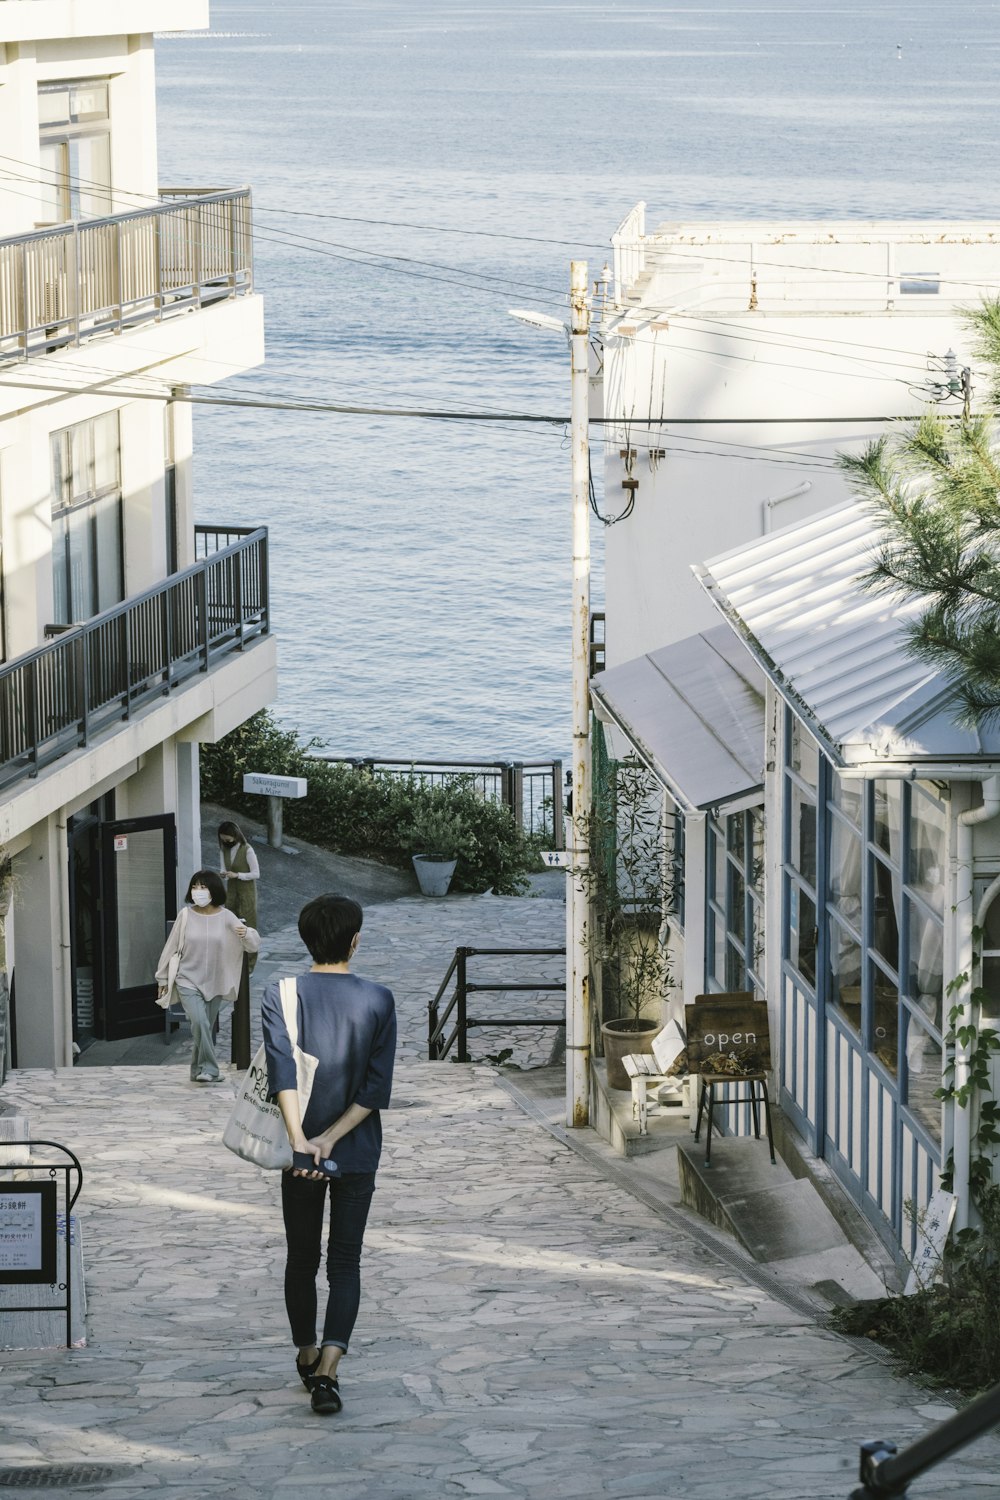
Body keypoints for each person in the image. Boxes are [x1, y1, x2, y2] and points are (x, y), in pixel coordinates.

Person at [261, 893, 396, 1417]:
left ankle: (306, 1352)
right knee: (345, 1261)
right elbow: (375, 1088)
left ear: (305, 939)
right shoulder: (379, 999)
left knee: (301, 1257)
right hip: (357, 1151)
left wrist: (303, 1141)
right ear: (355, 941)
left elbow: (282, 1073)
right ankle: (329, 1371)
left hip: (299, 1155)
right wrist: (333, 1139)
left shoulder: (282, 994)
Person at [156, 870, 260, 1084]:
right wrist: (163, 979)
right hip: (187, 979)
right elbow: (171, 947)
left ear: (214, 890)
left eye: (203, 887)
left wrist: (246, 933)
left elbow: (252, 945)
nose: (198, 891)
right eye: (195, 887)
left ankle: (197, 1070)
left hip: (216, 981)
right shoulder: (185, 915)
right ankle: (212, 1070)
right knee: (200, 1022)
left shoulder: (226, 916)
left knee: (202, 1027)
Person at [218, 820, 259, 972]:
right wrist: (224, 874)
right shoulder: (223, 849)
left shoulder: (247, 849)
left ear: (235, 835)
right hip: (232, 891)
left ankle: (249, 966)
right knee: (231, 926)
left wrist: (238, 875)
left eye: (228, 839)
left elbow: (256, 873)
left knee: (249, 927)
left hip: (247, 891)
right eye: (223, 839)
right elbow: (223, 868)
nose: (225, 841)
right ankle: (234, 963)